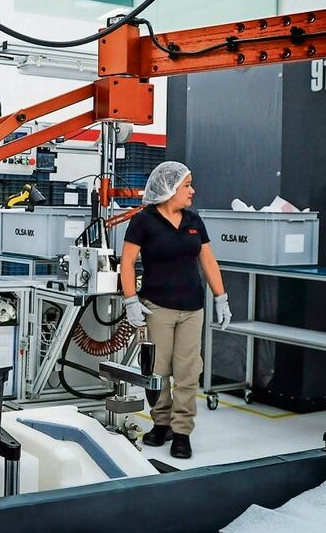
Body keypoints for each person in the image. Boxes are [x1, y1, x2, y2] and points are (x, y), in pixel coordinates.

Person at [119, 161, 230, 459]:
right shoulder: (143, 221)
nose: (192, 191)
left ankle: (182, 432)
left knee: (188, 372)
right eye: (187, 185)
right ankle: (161, 423)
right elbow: (127, 262)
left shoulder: (194, 220)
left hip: (192, 309)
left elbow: (208, 261)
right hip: (157, 308)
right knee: (157, 370)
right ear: (168, 189)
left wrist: (221, 297)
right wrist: (131, 301)